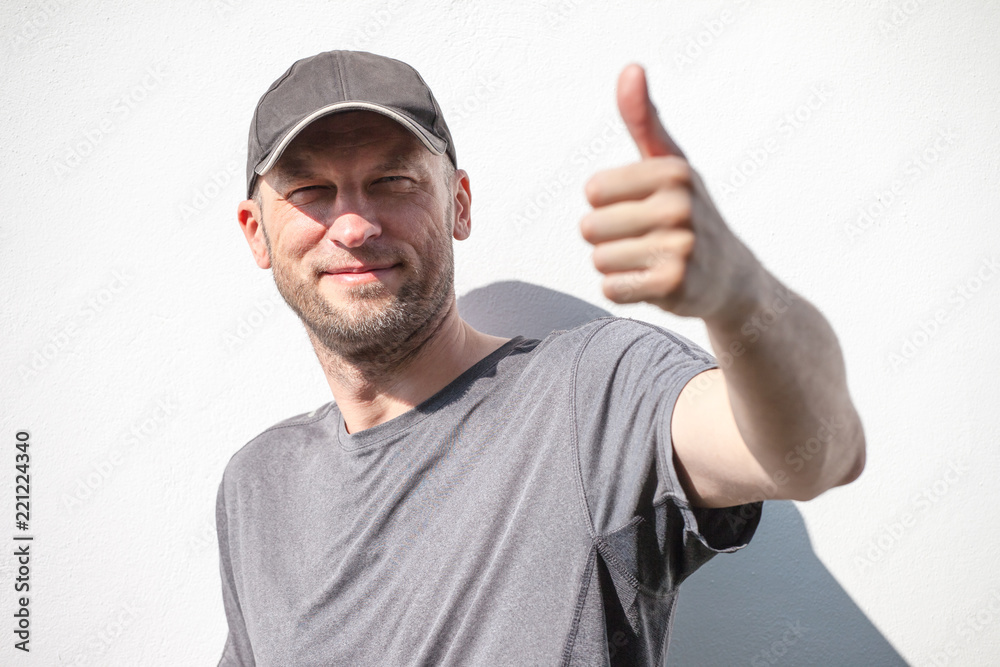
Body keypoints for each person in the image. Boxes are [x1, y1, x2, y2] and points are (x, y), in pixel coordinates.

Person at [217, 50, 866, 666]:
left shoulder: (591, 393)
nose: (354, 225)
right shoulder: (256, 485)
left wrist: (741, 295)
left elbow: (819, 450)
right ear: (257, 231)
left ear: (459, 204)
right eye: (311, 189)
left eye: (392, 180)